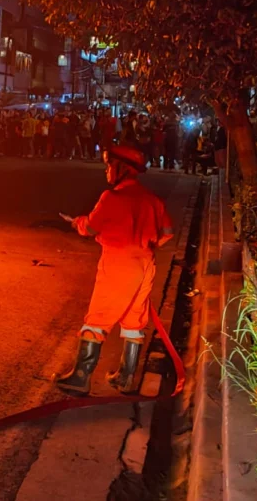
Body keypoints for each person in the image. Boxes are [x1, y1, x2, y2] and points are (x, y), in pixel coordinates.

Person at [56, 145, 174, 394]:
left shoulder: (112, 198)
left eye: (109, 166)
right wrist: (146, 245)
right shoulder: (154, 200)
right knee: (134, 321)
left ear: (120, 168)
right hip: (145, 265)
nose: (107, 171)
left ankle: (80, 378)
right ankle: (126, 378)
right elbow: (167, 234)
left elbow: (90, 228)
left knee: (98, 319)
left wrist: (77, 222)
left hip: (118, 264)